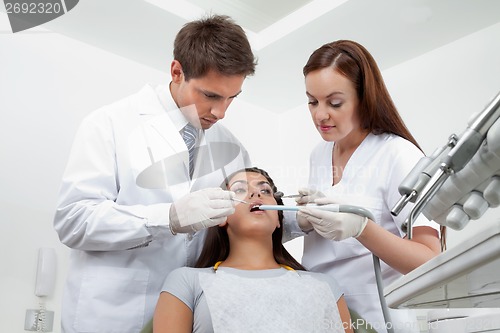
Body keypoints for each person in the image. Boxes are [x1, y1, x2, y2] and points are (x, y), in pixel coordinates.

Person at [53, 15, 256, 333]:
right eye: (211, 96)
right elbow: (73, 221)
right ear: (177, 72)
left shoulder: (232, 147)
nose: (222, 112)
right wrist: (168, 218)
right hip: (111, 316)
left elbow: (244, 227)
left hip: (186, 318)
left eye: (232, 97)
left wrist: (297, 223)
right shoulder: (109, 124)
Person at [293, 40, 442, 332]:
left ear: (364, 98)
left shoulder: (397, 154)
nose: (320, 115)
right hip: (321, 314)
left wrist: (363, 229)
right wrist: (300, 220)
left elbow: (430, 259)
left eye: (334, 103)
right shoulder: (319, 154)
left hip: (377, 318)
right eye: (312, 101)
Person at [153, 167, 353, 333]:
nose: (256, 194)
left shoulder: (323, 285)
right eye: (240, 190)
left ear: (279, 220)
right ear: (221, 216)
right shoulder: (186, 282)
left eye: (266, 191)